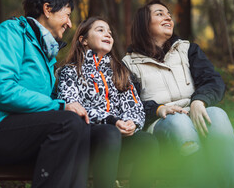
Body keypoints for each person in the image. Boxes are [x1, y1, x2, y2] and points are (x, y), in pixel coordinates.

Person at [0, 0, 90, 188]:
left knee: (83, 128)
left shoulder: (44, 53)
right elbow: (2, 91)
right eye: (67, 14)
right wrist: (60, 106)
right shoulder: (9, 33)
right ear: (47, 9)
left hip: (16, 128)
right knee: (68, 122)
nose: (70, 23)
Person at [123, 0, 234, 187]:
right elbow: (129, 104)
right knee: (179, 123)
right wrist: (158, 109)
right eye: (160, 13)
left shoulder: (188, 49)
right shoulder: (129, 63)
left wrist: (199, 101)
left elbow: (213, 81)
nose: (168, 17)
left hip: (195, 112)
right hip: (162, 122)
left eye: (169, 14)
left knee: (218, 115)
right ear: (144, 23)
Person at [57, 17, 159, 188]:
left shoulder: (120, 72)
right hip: (87, 139)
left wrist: (131, 123)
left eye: (110, 32)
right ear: (83, 40)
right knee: (109, 132)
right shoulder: (70, 71)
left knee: (147, 142)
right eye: (100, 30)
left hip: (118, 138)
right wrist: (111, 120)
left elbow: (134, 105)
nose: (107, 34)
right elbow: (72, 106)